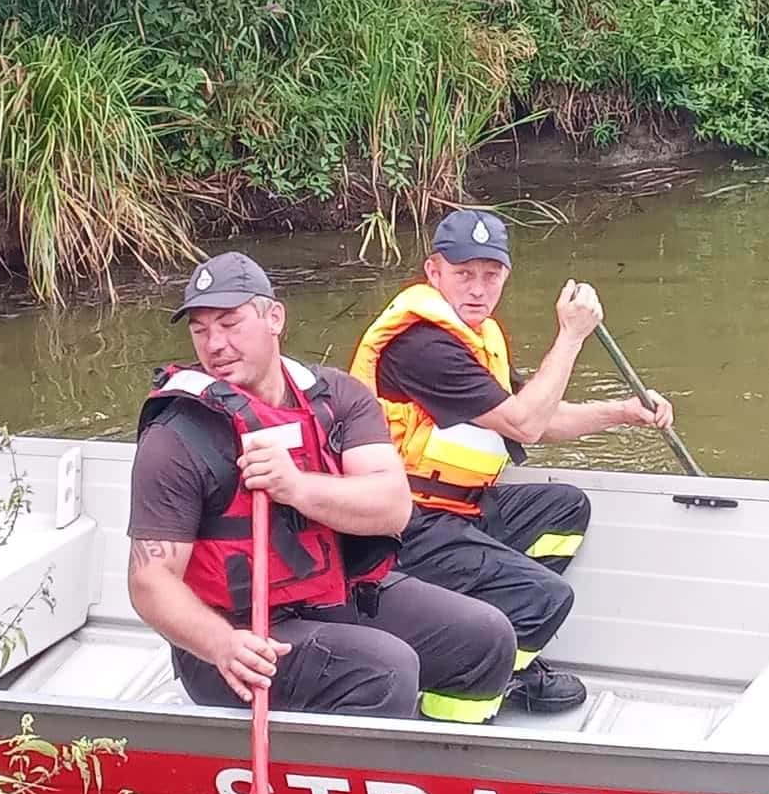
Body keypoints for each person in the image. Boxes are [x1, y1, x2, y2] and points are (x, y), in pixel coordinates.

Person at [127, 252, 516, 722]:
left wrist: (293, 486)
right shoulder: (175, 436)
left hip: (332, 594)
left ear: (274, 318)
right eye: (200, 329)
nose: (215, 344)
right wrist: (221, 644)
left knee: (486, 637)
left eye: (230, 324)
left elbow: (392, 507)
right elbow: (149, 581)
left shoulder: (337, 397)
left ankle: (444, 758)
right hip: (233, 638)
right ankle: (353, 778)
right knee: (386, 670)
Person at [349, 211, 675, 713]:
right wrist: (570, 337)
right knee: (546, 597)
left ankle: (507, 650)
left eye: (491, 275)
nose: (478, 289)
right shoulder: (422, 346)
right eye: (463, 274)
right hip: (400, 526)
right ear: (433, 272)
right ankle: (457, 705)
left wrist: (623, 412)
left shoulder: (473, 336)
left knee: (564, 509)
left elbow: (540, 418)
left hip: (456, 508)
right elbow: (524, 424)